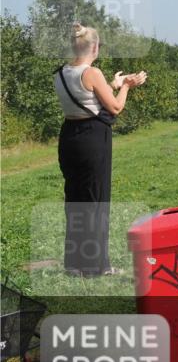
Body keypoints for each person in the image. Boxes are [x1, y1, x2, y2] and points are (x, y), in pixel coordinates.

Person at [54, 23, 147, 277]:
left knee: (74, 200)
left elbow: (86, 98)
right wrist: (126, 85)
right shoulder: (92, 72)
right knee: (96, 200)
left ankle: (73, 264)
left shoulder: (61, 73)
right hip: (92, 139)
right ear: (94, 47)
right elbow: (114, 108)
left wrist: (112, 84)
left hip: (69, 138)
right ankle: (97, 266)